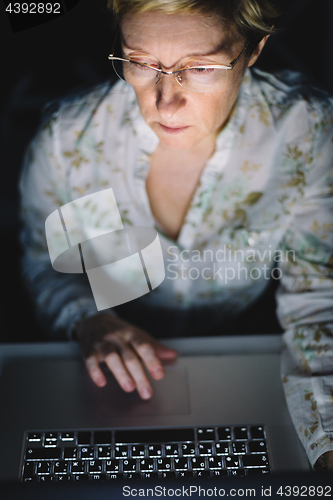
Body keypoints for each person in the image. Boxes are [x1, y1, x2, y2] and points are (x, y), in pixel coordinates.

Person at [19, 0, 333, 470]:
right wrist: (87, 318)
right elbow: (46, 263)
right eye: (141, 63)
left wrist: (326, 445)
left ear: (254, 49)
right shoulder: (68, 140)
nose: (166, 101)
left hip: (250, 343)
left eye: (201, 66)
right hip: (102, 368)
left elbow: (317, 301)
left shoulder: (308, 133)